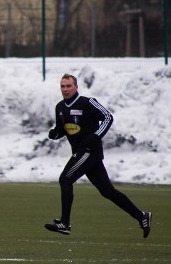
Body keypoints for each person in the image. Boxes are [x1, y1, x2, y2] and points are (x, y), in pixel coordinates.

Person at [45, 73, 151, 238]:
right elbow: (63, 129)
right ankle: (141, 216)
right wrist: (55, 134)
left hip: (89, 152)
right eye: (62, 86)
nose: (65, 89)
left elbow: (108, 117)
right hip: (80, 153)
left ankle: (65, 223)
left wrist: (95, 136)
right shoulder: (60, 107)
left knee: (65, 179)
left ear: (76, 87)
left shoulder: (88, 102)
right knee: (107, 191)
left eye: (68, 86)